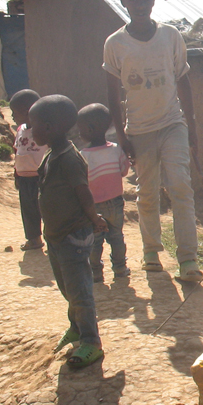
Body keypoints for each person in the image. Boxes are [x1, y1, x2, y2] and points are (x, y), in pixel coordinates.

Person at [103, 0, 202, 282]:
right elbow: (112, 93)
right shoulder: (115, 44)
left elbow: (183, 81)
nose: (140, 4)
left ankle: (188, 260)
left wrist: (191, 126)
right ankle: (150, 252)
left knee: (181, 189)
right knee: (147, 193)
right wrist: (122, 135)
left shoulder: (170, 36)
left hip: (172, 125)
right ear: (124, 2)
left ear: (153, 0)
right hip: (140, 131)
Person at [30, 95, 108, 369]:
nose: (29, 129)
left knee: (80, 291)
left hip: (73, 235)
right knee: (67, 287)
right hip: (56, 235)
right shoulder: (53, 154)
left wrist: (94, 217)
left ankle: (91, 341)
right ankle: (76, 327)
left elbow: (82, 192)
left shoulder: (69, 159)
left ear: (49, 127)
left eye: (33, 124)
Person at [77, 102, 131, 282]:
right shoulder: (116, 150)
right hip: (115, 202)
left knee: (95, 241)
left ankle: (96, 272)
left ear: (90, 129)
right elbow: (124, 171)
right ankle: (120, 269)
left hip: (93, 207)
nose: (79, 132)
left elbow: (81, 183)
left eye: (81, 128)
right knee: (116, 237)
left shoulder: (83, 155)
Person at [10, 89, 47, 252]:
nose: (12, 116)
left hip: (42, 177)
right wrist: (16, 173)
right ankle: (34, 239)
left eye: (14, 112)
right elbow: (17, 151)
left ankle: (53, 237)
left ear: (27, 112)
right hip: (24, 178)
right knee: (28, 210)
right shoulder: (20, 130)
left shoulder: (43, 130)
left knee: (46, 209)